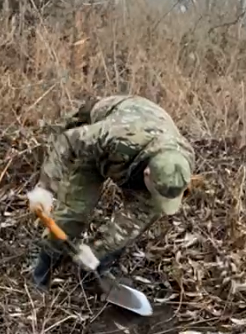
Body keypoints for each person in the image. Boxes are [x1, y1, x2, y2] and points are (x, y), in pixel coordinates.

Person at [28, 95, 194, 288]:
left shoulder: (181, 163)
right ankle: (41, 274)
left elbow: (135, 218)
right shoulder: (115, 136)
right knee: (74, 214)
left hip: (142, 147)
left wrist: (95, 251)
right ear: (147, 174)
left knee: (140, 217)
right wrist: (45, 190)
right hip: (108, 137)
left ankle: (98, 270)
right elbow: (68, 141)